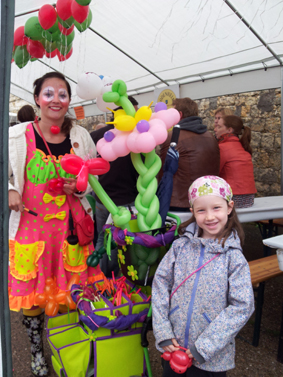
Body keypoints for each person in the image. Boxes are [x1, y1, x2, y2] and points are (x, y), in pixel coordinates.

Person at [8, 71, 101, 376]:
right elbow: (6, 172)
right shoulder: (17, 136)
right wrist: (10, 189)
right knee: (33, 299)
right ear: (37, 99)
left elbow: (94, 178)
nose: (56, 100)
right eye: (49, 93)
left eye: (62, 94)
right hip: (31, 232)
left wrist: (82, 186)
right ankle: (37, 351)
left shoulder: (80, 137)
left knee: (69, 296)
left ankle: (66, 353)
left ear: (69, 101)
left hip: (69, 232)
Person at [152, 176, 254, 377]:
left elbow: (242, 306)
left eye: (216, 208)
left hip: (211, 359)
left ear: (229, 207)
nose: (209, 217)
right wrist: (163, 331)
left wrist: (205, 347)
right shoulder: (180, 247)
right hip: (175, 347)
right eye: (201, 210)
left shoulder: (234, 258)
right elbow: (160, 284)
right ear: (192, 211)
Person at [90, 95, 139, 277]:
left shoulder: (95, 136)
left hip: (103, 198)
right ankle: (122, 281)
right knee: (126, 242)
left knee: (103, 240)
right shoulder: (134, 137)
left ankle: (99, 279)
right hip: (128, 200)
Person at [158, 97, 220, 212]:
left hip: (179, 203)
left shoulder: (173, 137)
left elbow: (163, 172)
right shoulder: (211, 137)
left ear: (179, 115)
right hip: (207, 200)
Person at [214, 115, 256, 208]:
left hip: (232, 197)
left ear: (229, 130)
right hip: (249, 198)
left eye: (219, 127)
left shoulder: (222, 148)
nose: (215, 129)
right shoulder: (242, 147)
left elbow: (213, 174)